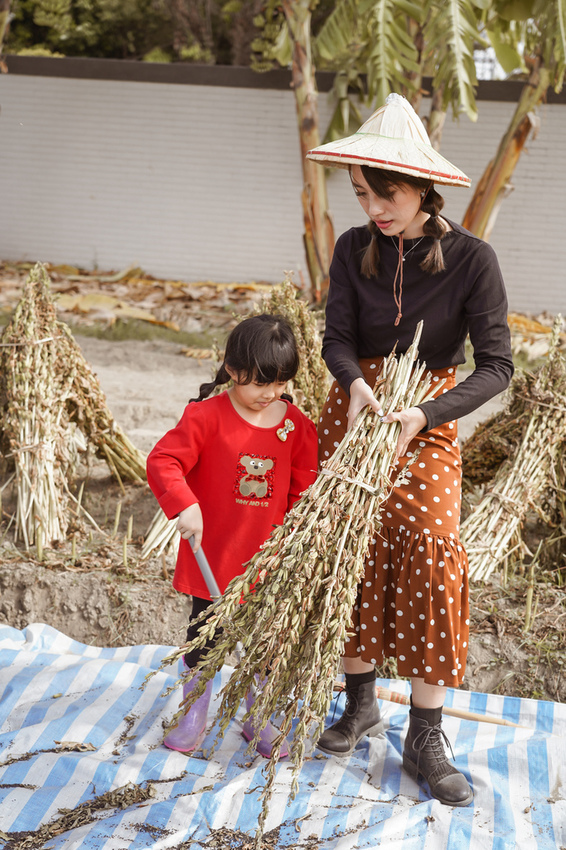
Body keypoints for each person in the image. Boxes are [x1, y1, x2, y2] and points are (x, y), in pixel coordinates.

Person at [306, 94, 514, 806]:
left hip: (424, 417)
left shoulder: (473, 260)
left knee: (429, 549)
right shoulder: (351, 248)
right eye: (362, 194)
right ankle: (360, 701)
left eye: (385, 195)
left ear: (422, 187)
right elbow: (336, 337)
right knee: (346, 549)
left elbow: (496, 366)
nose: (374, 209)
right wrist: (355, 384)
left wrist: (424, 413)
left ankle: (425, 732)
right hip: (359, 409)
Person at [146, 313, 318, 757]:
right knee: (205, 640)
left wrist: (296, 545)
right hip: (214, 558)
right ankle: (193, 714)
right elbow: (163, 460)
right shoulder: (206, 417)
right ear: (232, 369)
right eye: (261, 382)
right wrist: (185, 503)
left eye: (280, 383)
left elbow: (304, 491)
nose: (271, 393)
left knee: (264, 645)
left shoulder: (296, 427)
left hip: (268, 563)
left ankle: (259, 714)